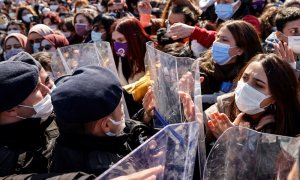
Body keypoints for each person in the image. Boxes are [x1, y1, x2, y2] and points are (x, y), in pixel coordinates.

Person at [50, 66, 155, 175]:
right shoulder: (114, 172)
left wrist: (145, 118)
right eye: (121, 106)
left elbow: (119, 137)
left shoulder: (67, 142)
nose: (123, 112)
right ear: (106, 126)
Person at [205, 53, 300, 139]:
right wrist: (192, 120)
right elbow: (198, 131)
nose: (245, 86)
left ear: (275, 97)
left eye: (258, 84)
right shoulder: (226, 105)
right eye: (245, 78)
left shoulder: (286, 124)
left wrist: (239, 143)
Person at [0, 60, 58, 176]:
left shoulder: (44, 120)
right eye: (36, 89)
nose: (46, 90)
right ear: (11, 110)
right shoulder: (6, 162)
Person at [111, 17, 151, 86]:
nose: (116, 44)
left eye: (120, 40)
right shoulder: (116, 59)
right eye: (114, 40)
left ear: (133, 39)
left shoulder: (151, 56)